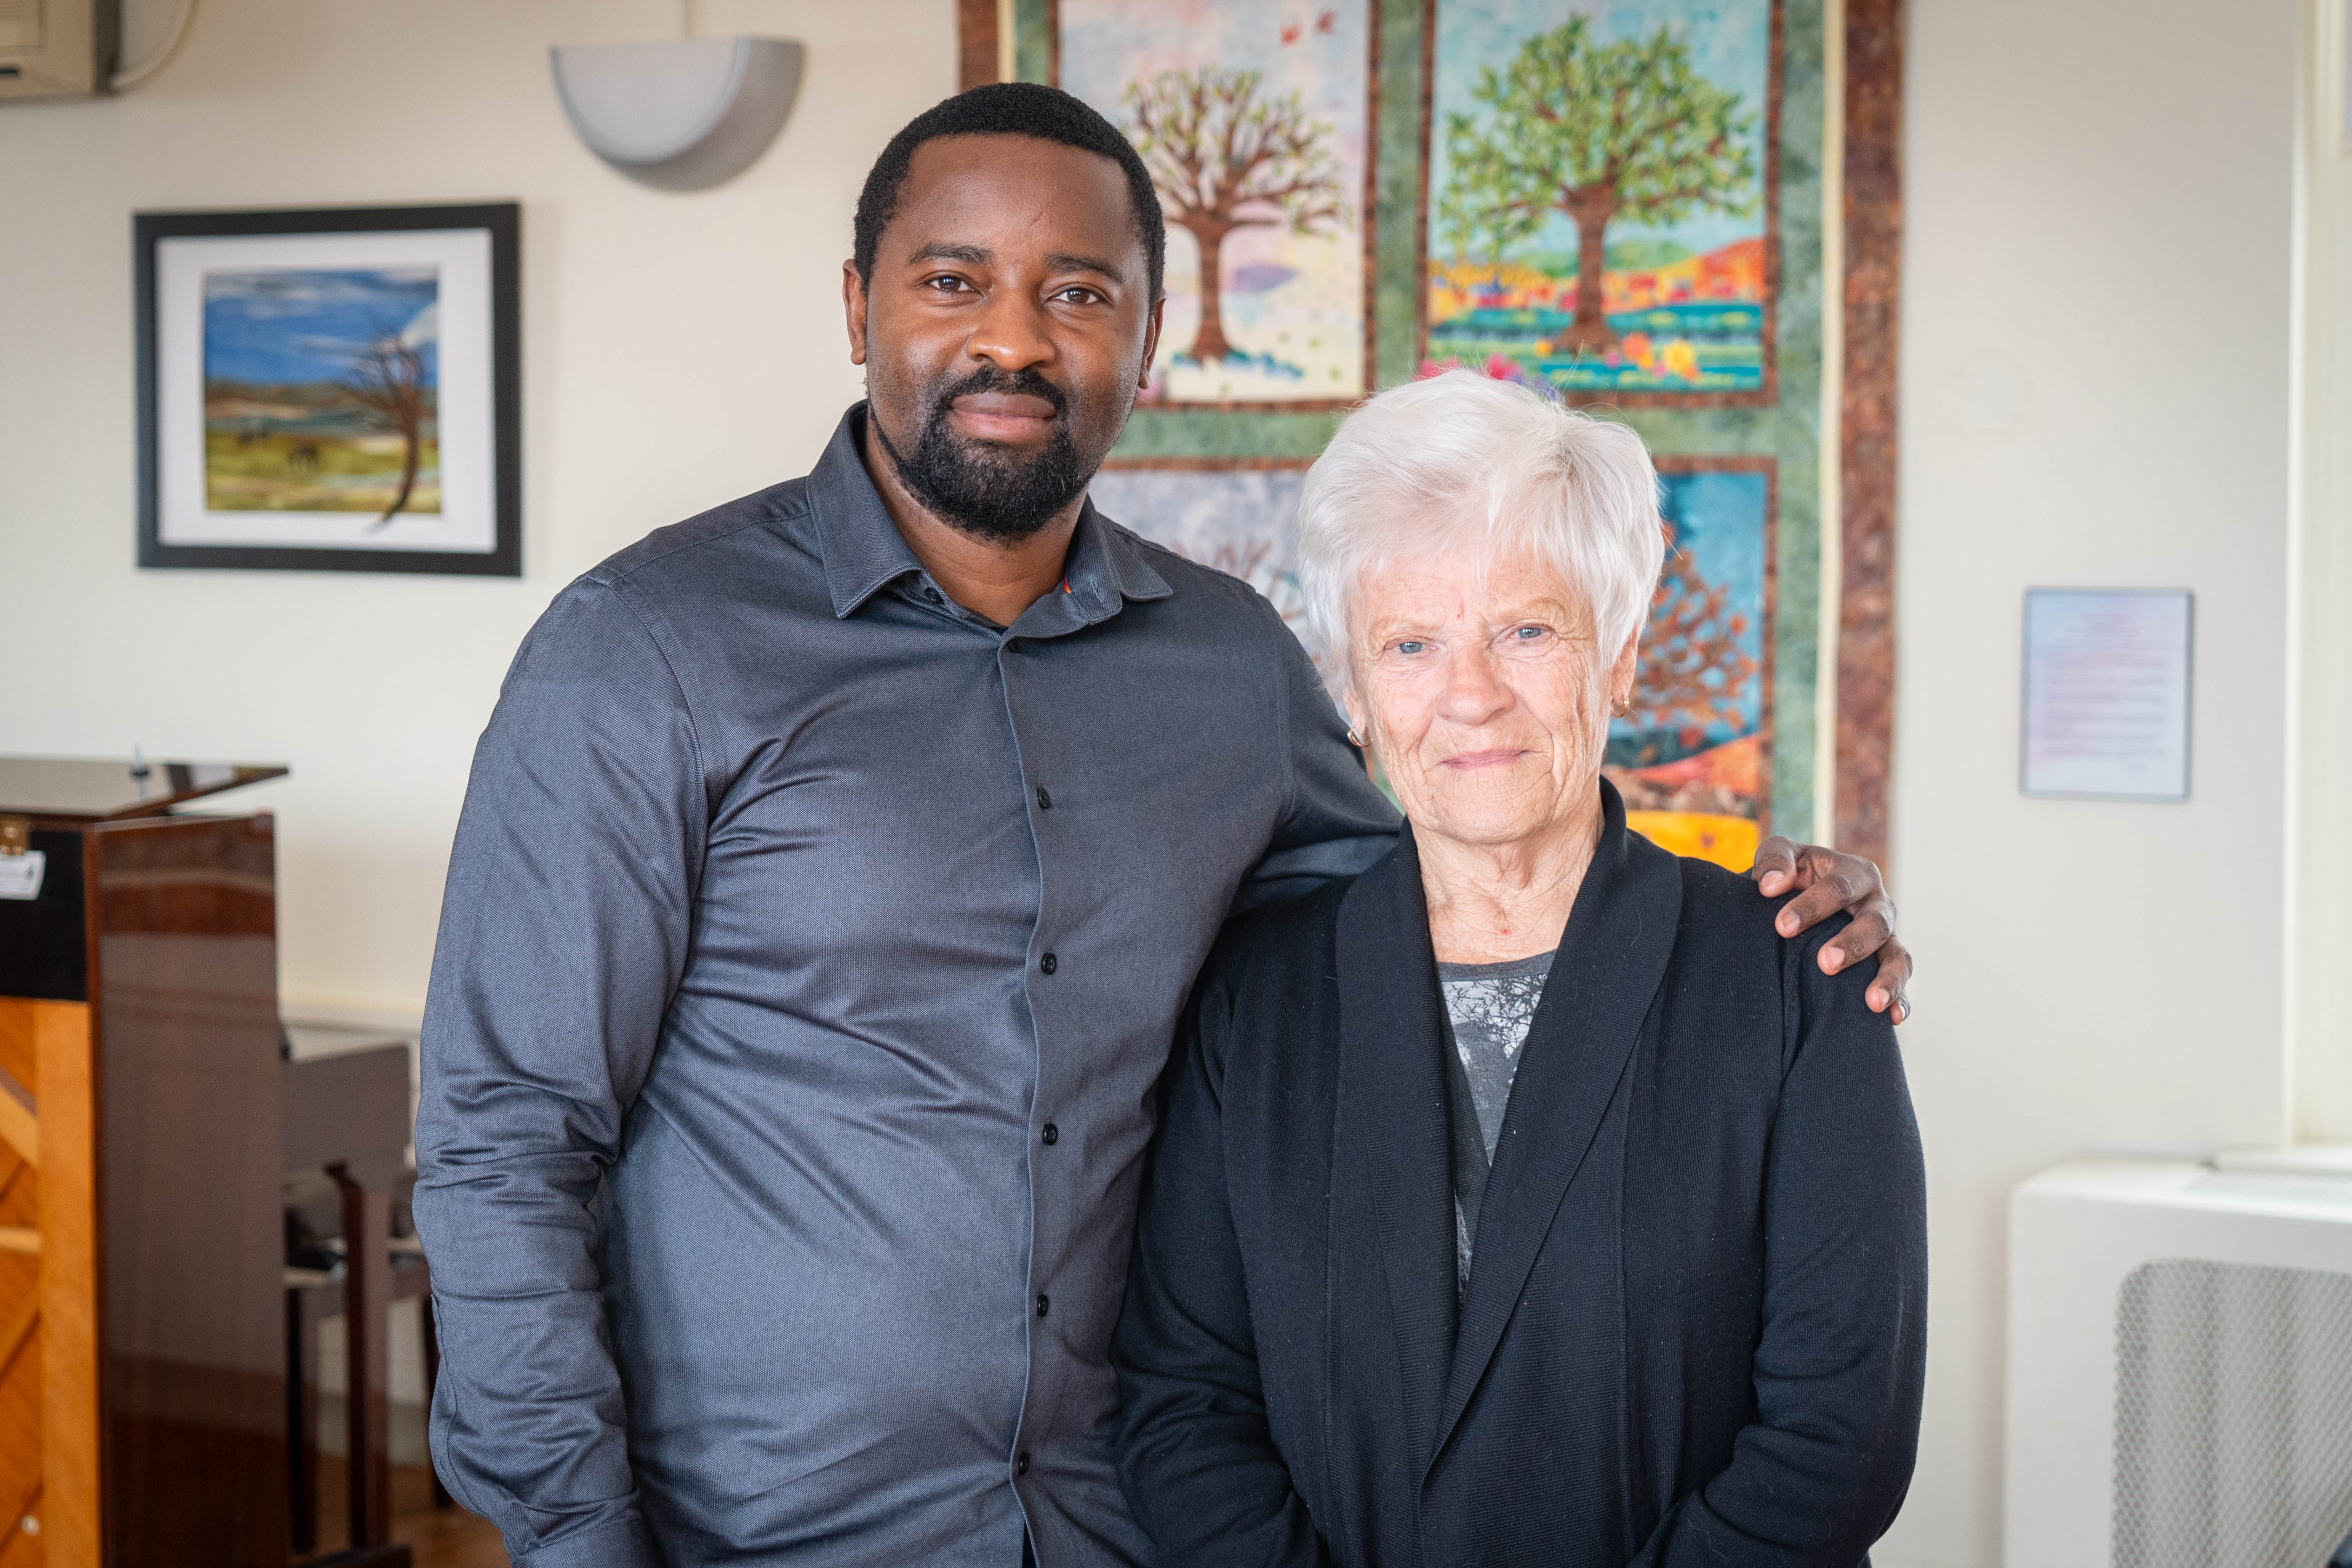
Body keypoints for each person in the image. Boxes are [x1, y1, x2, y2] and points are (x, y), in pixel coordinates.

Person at [412, 85, 1915, 1568]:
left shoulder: (1231, 667)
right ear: (860, 306)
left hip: (1118, 1525)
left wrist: (1766, 896)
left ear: (1144, 333)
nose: (1011, 338)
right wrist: (577, 1542)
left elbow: (1461, 865)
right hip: (755, 1534)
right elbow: (501, 1142)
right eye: (953, 282)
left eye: (1075, 290)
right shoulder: (647, 653)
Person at [1111, 370, 1929, 1567]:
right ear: (1350, 691)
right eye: (1411, 643)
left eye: (1528, 630)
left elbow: (1836, 1444)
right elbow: (1183, 1406)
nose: (1472, 695)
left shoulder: (1796, 983)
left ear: (1621, 656)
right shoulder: (1259, 998)